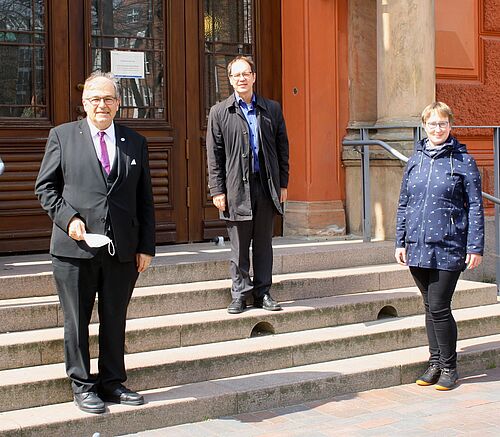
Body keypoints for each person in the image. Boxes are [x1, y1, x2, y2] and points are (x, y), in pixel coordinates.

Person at [35, 71, 155, 413]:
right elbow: (46, 188)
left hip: (122, 250)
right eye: (94, 99)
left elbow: (144, 198)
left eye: (108, 99)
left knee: (115, 317)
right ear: (84, 103)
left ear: (118, 104)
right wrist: (68, 218)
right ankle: (82, 384)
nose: (101, 105)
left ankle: (113, 382)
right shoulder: (62, 137)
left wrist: (146, 245)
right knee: (77, 320)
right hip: (74, 250)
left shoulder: (135, 142)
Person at [395, 101, 484, 390]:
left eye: (442, 123)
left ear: (450, 126)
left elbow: (475, 206)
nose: (437, 128)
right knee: (429, 306)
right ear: (425, 126)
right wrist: (400, 241)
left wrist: (475, 246)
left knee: (439, 305)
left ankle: (449, 367)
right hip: (417, 245)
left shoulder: (463, 161)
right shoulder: (415, 160)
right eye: (432, 124)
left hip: (449, 244)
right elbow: (404, 203)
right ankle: (434, 362)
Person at [206, 55, 290, 314]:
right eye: (236, 75)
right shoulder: (220, 112)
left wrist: (282, 184)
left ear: (253, 77)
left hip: (265, 187)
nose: (241, 79)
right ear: (230, 80)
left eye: (246, 74)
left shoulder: (271, 109)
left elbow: (282, 148)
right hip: (234, 188)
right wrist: (217, 189)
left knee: (264, 243)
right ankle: (240, 293)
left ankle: (264, 292)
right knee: (239, 246)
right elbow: (214, 154)